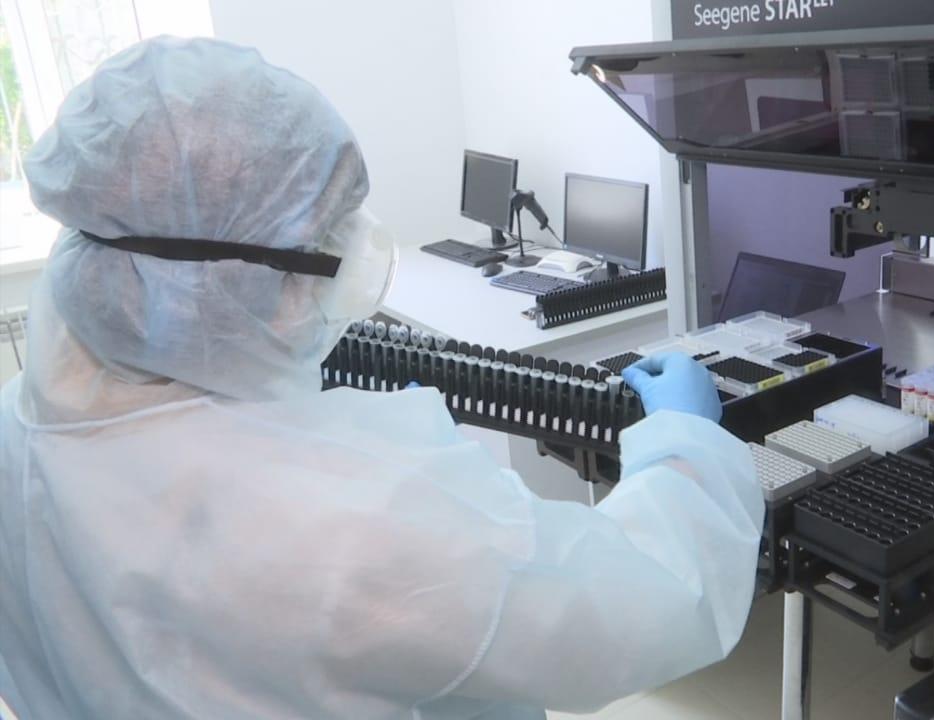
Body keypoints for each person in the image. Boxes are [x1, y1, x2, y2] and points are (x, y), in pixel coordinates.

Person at [0, 38, 764, 720]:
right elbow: (639, 609)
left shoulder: (15, 429)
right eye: (325, 242)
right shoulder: (359, 521)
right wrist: (683, 442)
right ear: (234, 279)